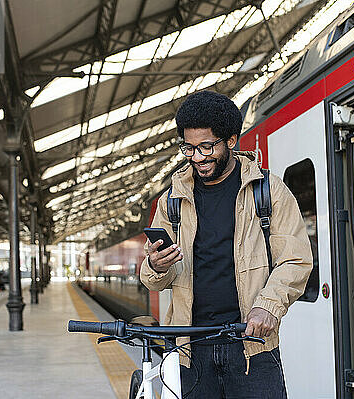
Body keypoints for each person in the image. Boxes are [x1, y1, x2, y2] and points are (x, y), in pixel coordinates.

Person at [140, 90, 313, 398]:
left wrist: (268, 306)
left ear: (231, 141)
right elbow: (153, 280)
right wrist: (156, 264)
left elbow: (295, 259)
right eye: (188, 148)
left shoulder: (268, 191)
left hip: (252, 348)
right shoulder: (172, 200)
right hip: (190, 351)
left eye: (207, 146)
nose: (198, 157)